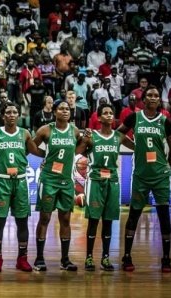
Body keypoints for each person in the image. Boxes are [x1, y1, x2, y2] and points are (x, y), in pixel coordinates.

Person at [0, 101, 44, 272]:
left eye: (14, 112)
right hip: (2, 180)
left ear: (19, 115)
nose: (11, 115)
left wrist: (54, 154)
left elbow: (35, 151)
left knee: (22, 221)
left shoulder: (25, 134)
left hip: (20, 180)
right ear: (3, 115)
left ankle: (22, 258)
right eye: (8, 112)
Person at [117, 85, 171, 272]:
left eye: (156, 95)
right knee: (134, 215)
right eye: (149, 95)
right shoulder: (135, 117)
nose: (153, 97)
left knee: (164, 217)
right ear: (144, 99)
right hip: (141, 176)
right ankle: (127, 256)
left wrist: (169, 164)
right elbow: (118, 133)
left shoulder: (165, 121)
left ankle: (166, 258)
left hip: (160, 176)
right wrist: (133, 146)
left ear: (159, 100)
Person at [76, 103, 131, 271]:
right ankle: (89, 257)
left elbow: (138, 147)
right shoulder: (92, 136)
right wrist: (83, 140)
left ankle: (106, 258)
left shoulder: (119, 136)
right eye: (105, 113)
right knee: (93, 220)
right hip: (95, 180)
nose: (108, 115)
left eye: (111, 113)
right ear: (99, 118)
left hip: (113, 180)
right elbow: (76, 151)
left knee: (108, 221)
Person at [32, 99, 83, 271]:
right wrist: (44, 156)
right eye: (61, 109)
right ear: (54, 112)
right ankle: (39, 258)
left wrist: (88, 138)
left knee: (66, 219)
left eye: (67, 109)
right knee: (45, 218)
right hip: (49, 180)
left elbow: (82, 147)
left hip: (66, 181)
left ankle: (65, 260)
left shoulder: (75, 131)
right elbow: (31, 146)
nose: (65, 111)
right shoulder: (45, 130)